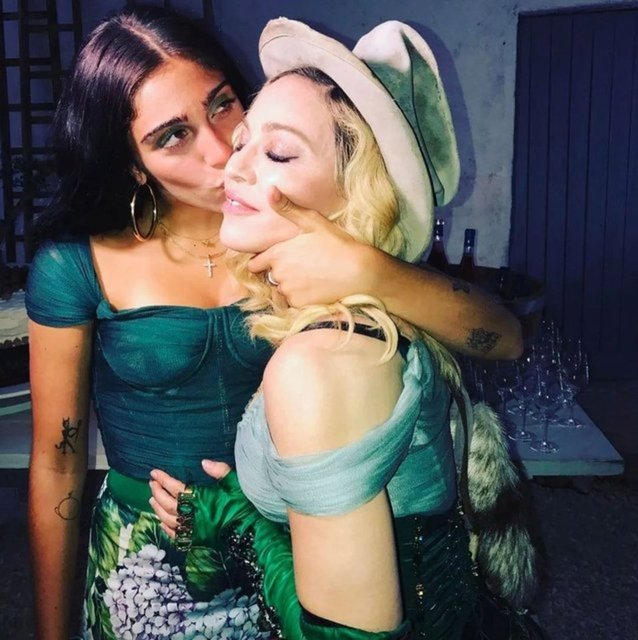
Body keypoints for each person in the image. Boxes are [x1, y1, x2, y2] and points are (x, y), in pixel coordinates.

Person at [25, 7, 522, 640]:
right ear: (131, 163)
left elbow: (503, 336)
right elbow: (58, 463)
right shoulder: (77, 264)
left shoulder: (303, 219)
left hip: (300, 543)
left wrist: (371, 270)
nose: (221, 149)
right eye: (172, 136)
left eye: (223, 104)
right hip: (148, 564)